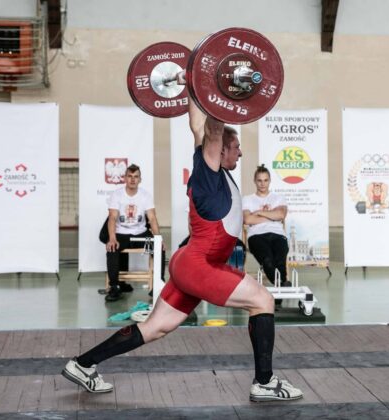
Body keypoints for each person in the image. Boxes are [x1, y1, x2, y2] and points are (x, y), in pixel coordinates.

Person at [61, 79, 303, 402]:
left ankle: (83, 364)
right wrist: (216, 81)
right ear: (220, 148)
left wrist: (194, 82)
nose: (241, 152)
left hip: (188, 263)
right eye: (236, 147)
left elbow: (199, 126)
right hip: (199, 264)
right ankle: (265, 382)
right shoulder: (209, 169)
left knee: (155, 327)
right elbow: (208, 128)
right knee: (263, 300)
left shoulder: (212, 172)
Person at [104, 164, 163, 302]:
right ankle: (115, 287)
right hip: (122, 234)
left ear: (139, 179)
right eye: (130, 176)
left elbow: (152, 218)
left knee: (158, 247)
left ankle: (157, 285)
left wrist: (158, 239)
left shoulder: (145, 195)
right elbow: (112, 217)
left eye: (135, 177)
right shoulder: (117, 195)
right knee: (112, 247)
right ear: (125, 178)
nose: (132, 179)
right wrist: (112, 238)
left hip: (141, 234)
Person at [243, 165, 290, 290]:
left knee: (280, 261)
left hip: (277, 235)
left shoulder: (278, 198)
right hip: (256, 236)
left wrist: (258, 212)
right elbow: (247, 219)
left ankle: (280, 287)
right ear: (255, 181)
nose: (262, 184)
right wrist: (271, 215)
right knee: (268, 260)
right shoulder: (247, 199)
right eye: (259, 180)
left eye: (265, 180)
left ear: (269, 180)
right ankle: (282, 286)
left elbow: (281, 215)